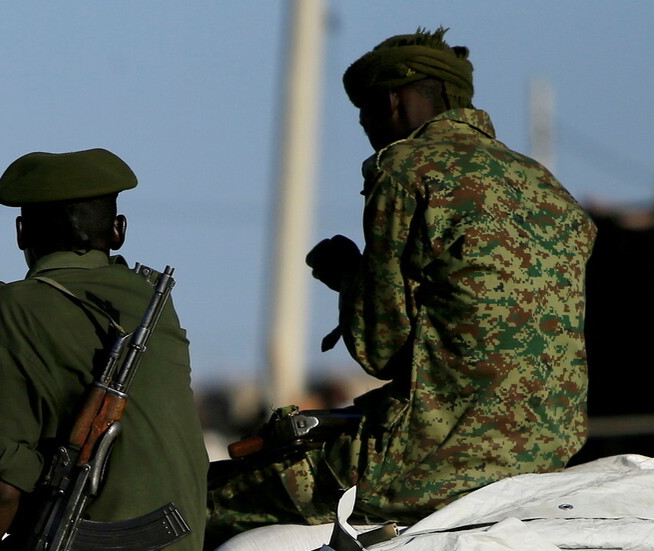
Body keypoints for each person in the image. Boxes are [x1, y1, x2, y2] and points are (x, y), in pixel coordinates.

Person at [206, 28, 596, 547]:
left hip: (434, 455)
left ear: (392, 101)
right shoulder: (544, 184)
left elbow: (381, 349)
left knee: (202, 498)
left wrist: (348, 277)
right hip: (548, 450)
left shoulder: (408, 168)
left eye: (365, 112)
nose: (366, 128)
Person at [0, 148, 209, 551]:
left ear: (21, 232)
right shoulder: (148, 300)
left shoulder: (17, 310)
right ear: (118, 231)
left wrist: (1, 317)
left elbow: (0, 488)